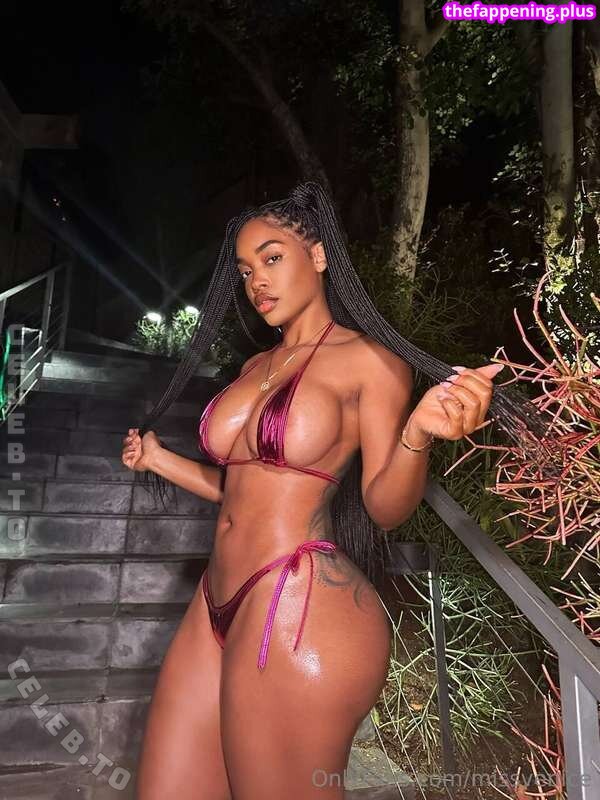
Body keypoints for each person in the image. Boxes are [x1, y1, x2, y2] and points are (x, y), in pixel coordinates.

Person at [121, 182, 547, 799]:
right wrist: (159, 461)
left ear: (318, 256)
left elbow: (384, 507)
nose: (257, 281)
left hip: (297, 603)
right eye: (245, 270)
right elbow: (241, 492)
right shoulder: (252, 368)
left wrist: (416, 437)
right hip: (215, 599)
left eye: (272, 258)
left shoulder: (370, 362)